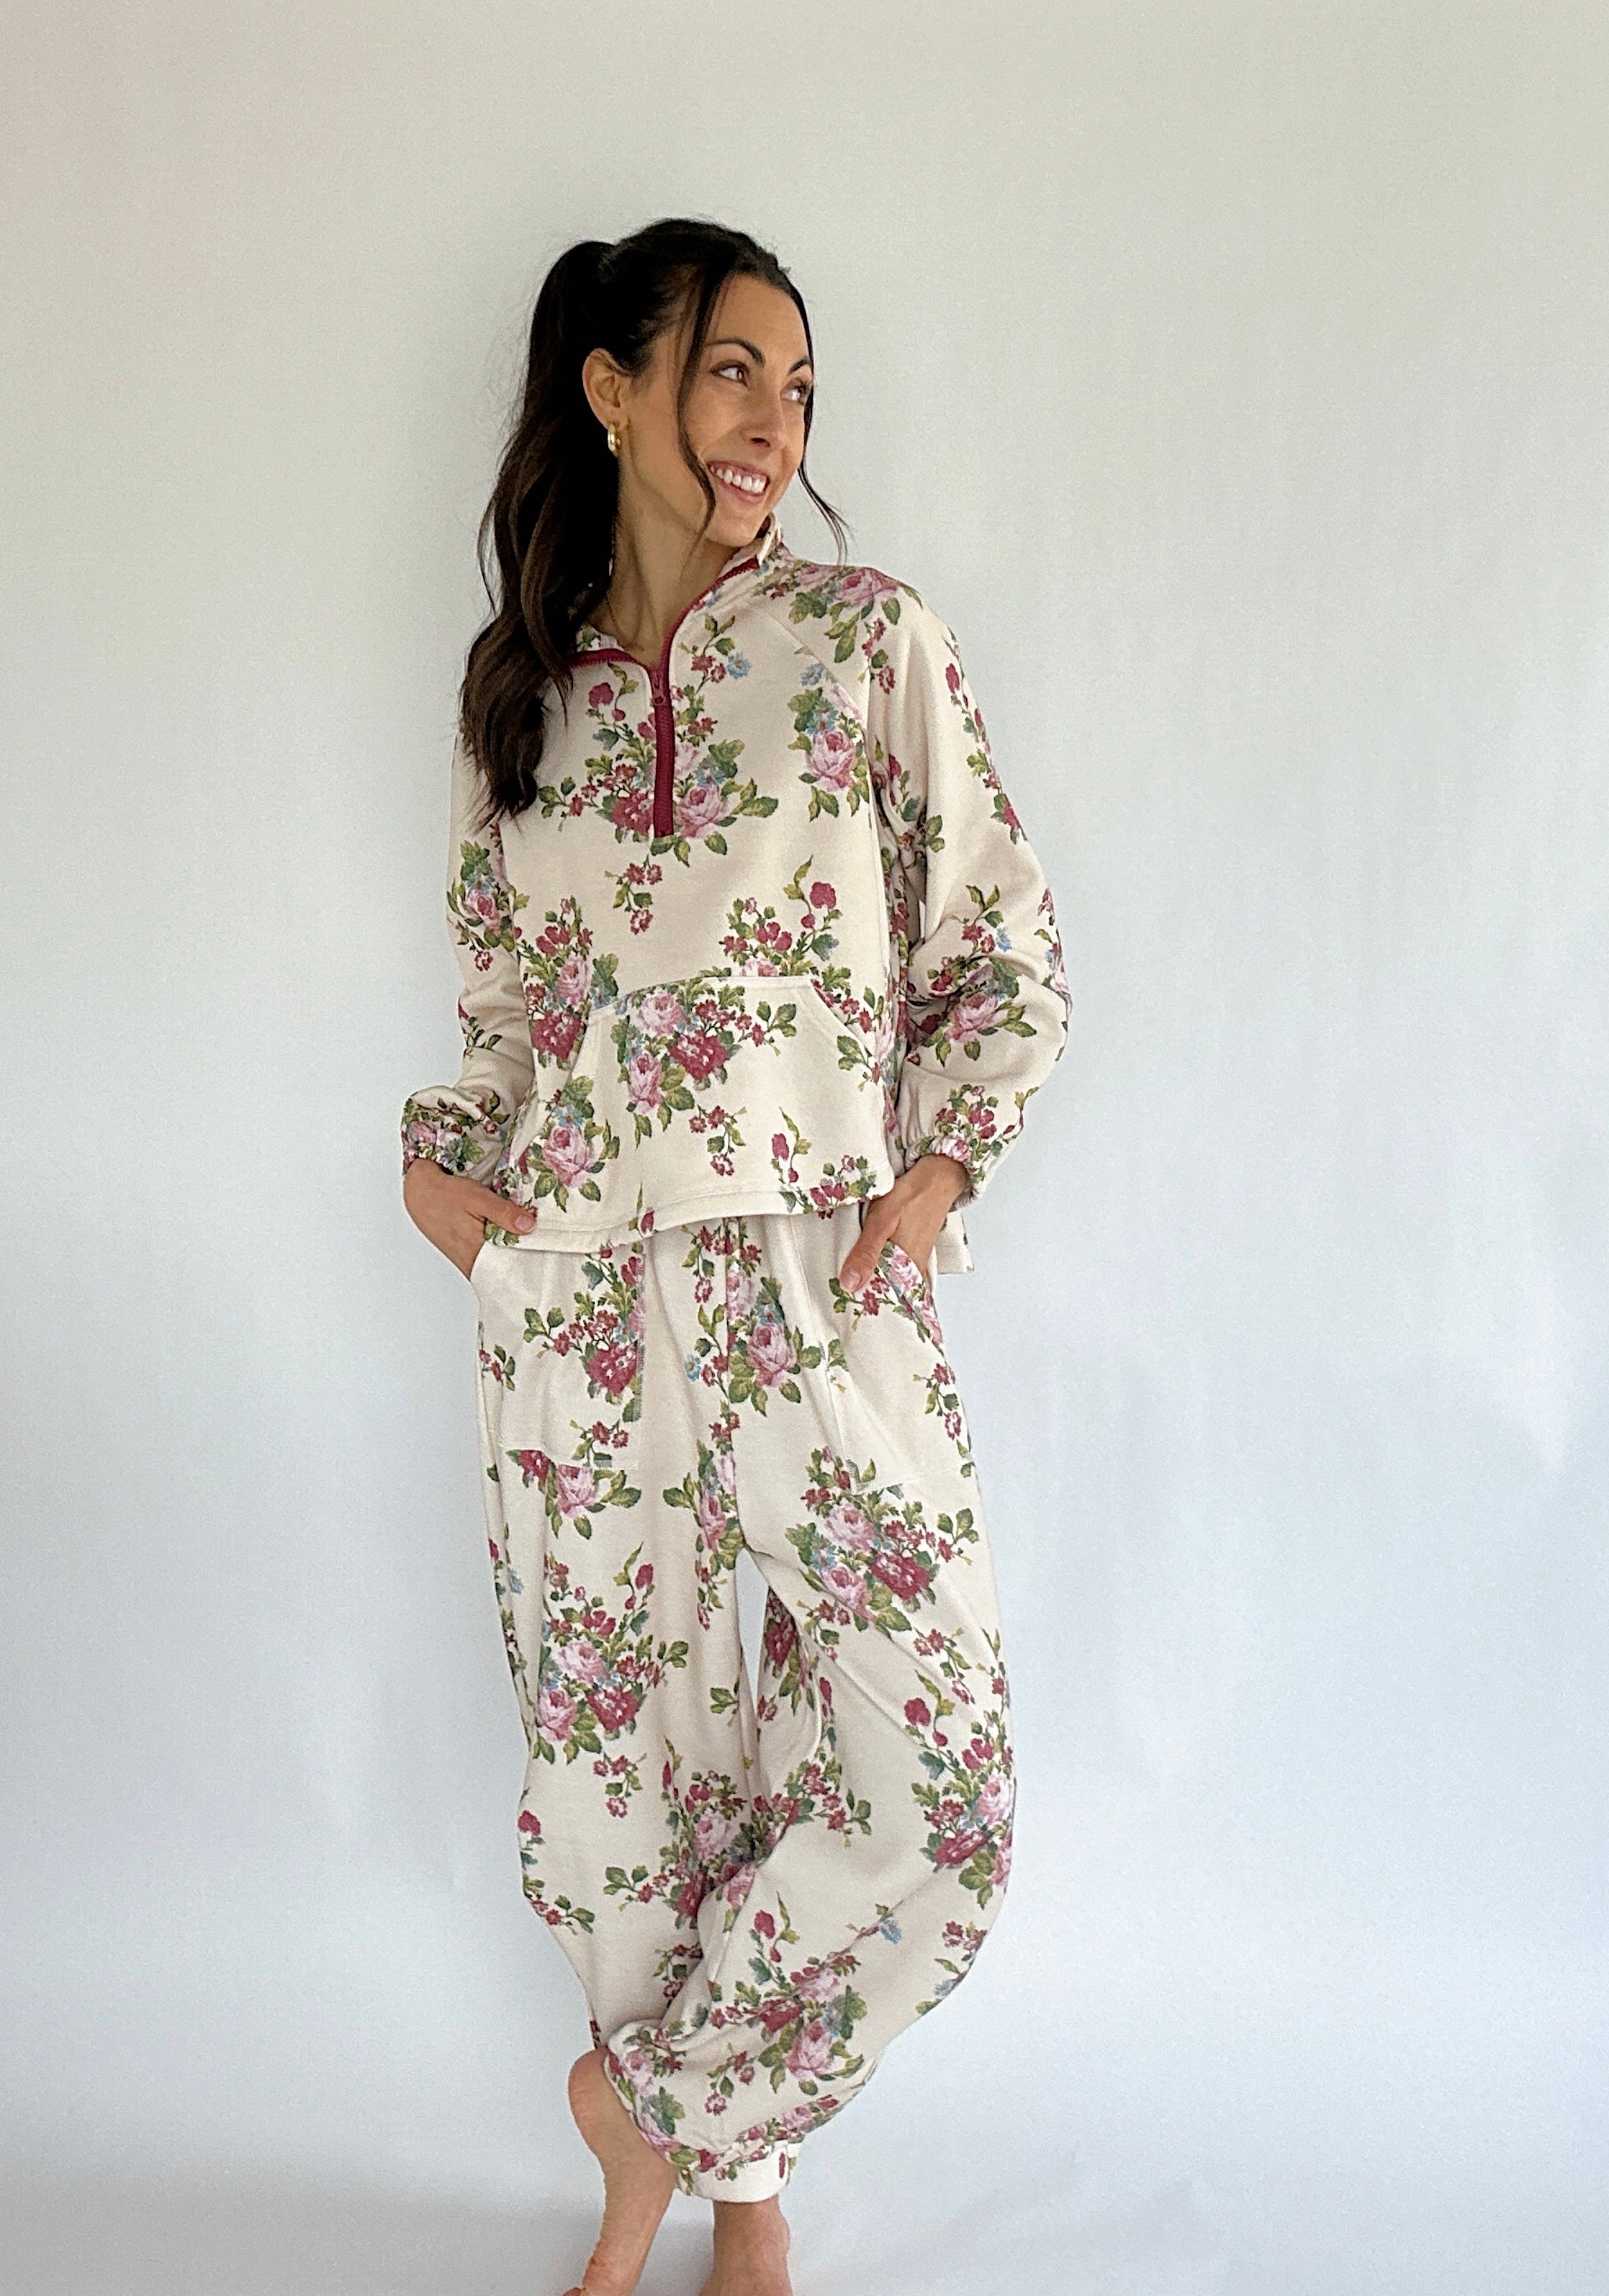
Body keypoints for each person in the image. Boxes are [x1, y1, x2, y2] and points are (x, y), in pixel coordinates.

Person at [400, 218, 1071, 2296]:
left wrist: (930, 1183)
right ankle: (722, 2196)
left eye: (798, 388)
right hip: (582, 1292)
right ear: (614, 388)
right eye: (729, 370)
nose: (773, 422)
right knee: (636, 1783)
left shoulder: (867, 640)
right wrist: (441, 1178)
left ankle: (660, 2108)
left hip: (813, 1273)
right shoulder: (519, 702)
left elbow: (998, 947)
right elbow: (502, 1020)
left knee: (937, 1796)